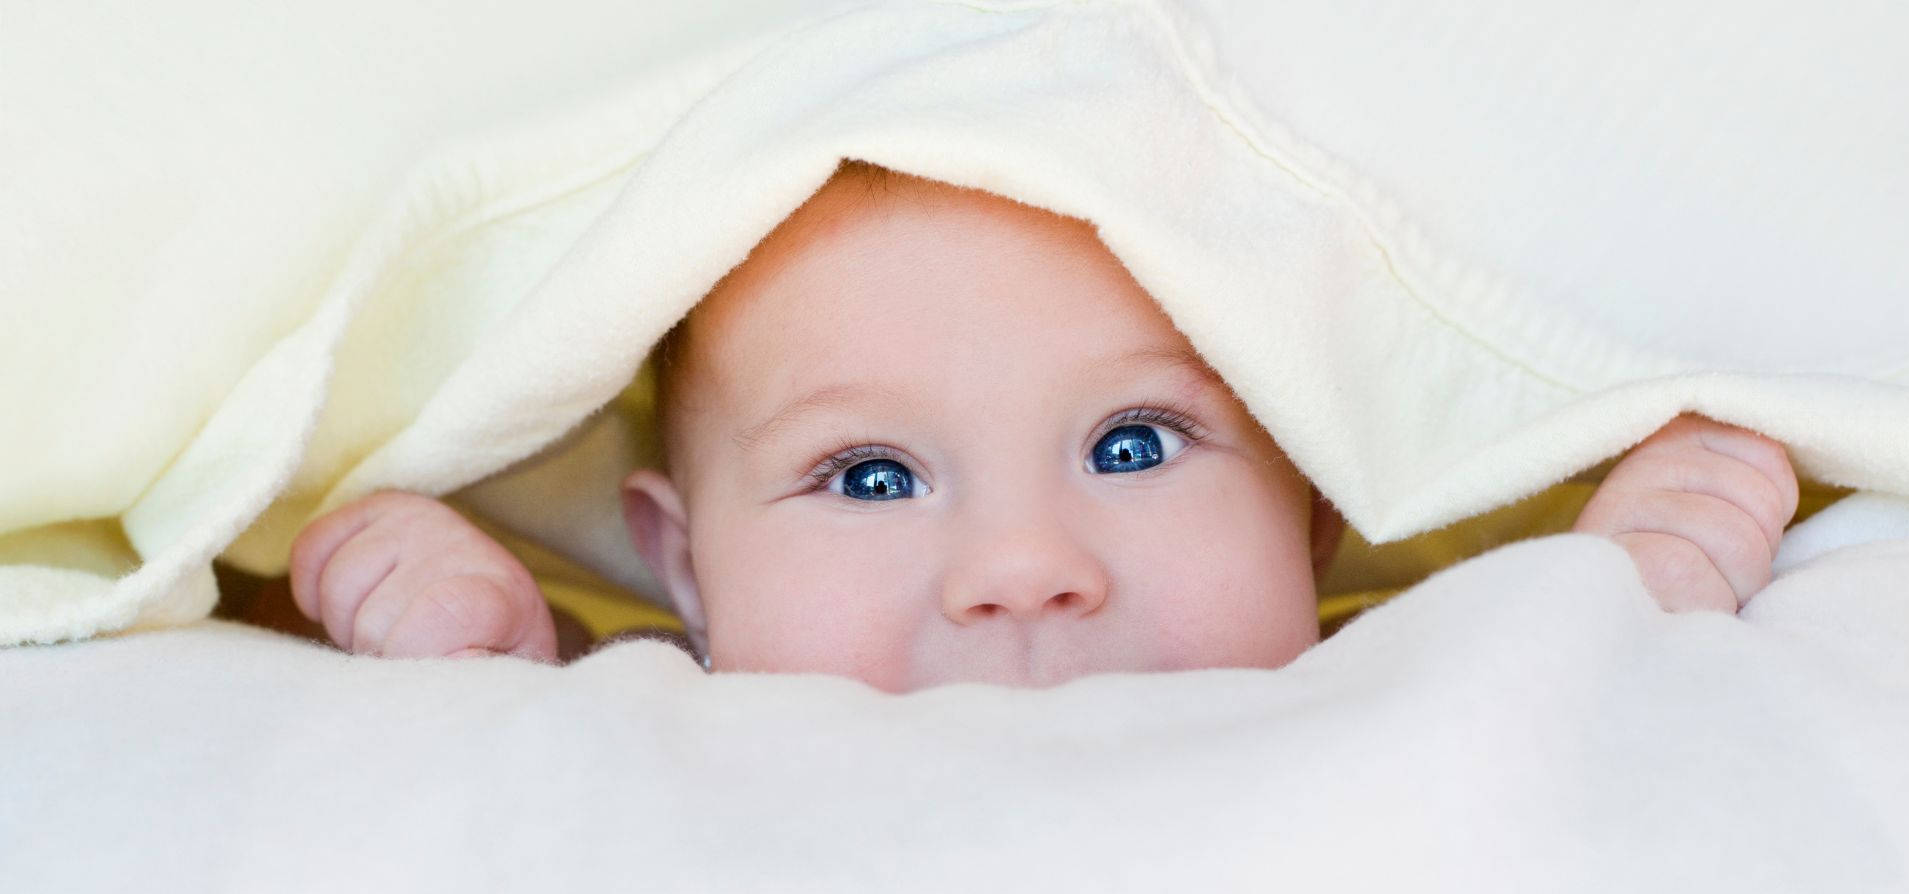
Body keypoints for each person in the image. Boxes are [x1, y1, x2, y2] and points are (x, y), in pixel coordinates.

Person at [274, 160, 1799, 692]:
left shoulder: (1365, 683)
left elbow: (1528, 735)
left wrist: (1621, 592)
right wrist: (478, 652)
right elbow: (527, 810)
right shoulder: (690, 712)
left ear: (1318, 516)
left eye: (1132, 446)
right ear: (688, 573)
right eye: (868, 476)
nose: (1021, 565)